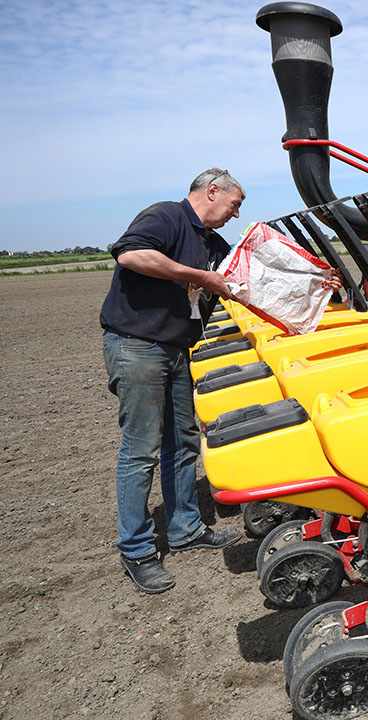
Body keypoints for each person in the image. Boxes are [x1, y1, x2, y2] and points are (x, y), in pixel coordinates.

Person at [100, 168, 246, 594]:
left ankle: (184, 529)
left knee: (183, 441)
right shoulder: (166, 216)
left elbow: (242, 275)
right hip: (138, 346)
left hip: (177, 349)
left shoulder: (211, 243)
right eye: (234, 205)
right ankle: (137, 549)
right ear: (212, 191)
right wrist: (199, 277)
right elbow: (130, 256)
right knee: (141, 450)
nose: (234, 215)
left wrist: (317, 280)